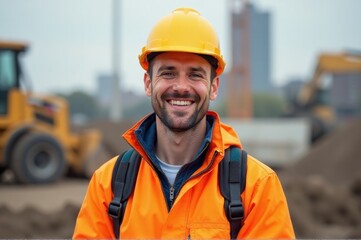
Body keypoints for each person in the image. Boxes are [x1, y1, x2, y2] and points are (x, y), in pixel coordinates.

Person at [73, 7, 295, 239]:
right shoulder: (107, 185)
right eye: (168, 73)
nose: (181, 86)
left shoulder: (256, 187)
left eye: (195, 74)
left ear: (214, 87)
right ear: (148, 83)